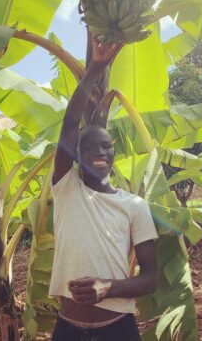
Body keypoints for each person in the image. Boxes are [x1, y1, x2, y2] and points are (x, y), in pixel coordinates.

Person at [48, 40, 159, 341]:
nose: (100, 152)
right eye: (89, 146)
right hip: (67, 329)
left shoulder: (135, 206)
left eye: (106, 146)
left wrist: (108, 287)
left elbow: (151, 277)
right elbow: (71, 122)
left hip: (117, 330)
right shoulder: (66, 187)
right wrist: (95, 67)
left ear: (114, 152)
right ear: (76, 154)